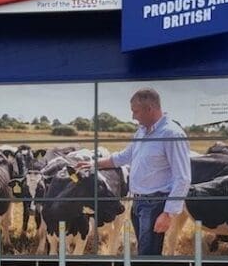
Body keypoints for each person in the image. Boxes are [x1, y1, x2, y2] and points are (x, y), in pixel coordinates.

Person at [80, 87, 192, 255]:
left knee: (148, 255)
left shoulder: (172, 134)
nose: (133, 116)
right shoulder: (142, 131)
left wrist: (167, 213)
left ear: (150, 109)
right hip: (138, 202)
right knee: (144, 251)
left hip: (155, 204)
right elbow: (124, 156)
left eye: (136, 111)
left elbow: (182, 177)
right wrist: (93, 164)